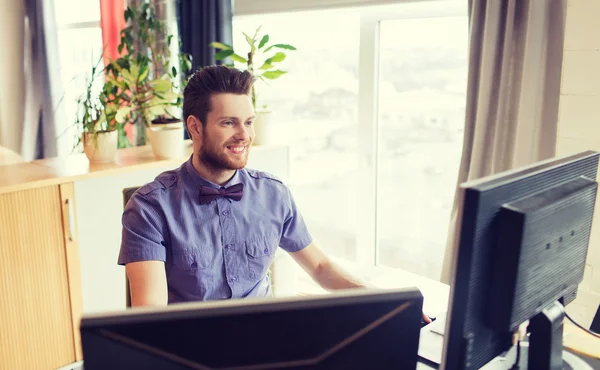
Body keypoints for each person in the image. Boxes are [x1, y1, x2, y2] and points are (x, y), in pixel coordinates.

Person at [118, 65, 431, 323]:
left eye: (249, 122)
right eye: (229, 123)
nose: (244, 135)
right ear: (195, 127)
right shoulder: (149, 208)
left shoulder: (273, 194)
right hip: (192, 353)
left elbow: (320, 268)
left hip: (267, 345)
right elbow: (151, 314)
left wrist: (389, 302)